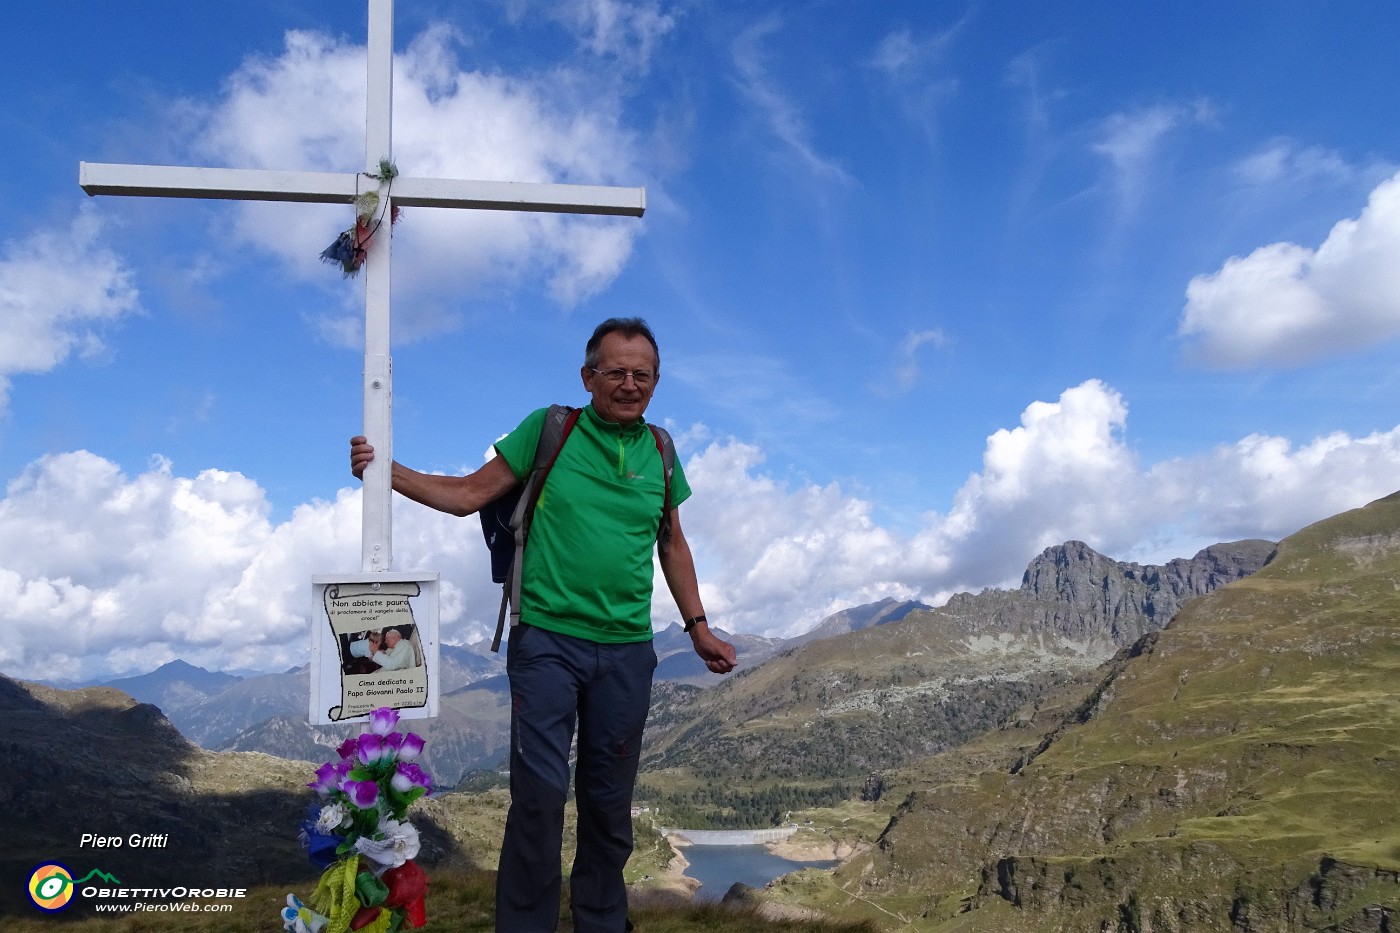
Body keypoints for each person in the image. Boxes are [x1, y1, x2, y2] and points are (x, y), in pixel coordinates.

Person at [349, 317, 737, 932]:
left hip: (629, 651)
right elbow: (469, 494)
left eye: (643, 374)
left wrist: (698, 627)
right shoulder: (551, 429)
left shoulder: (662, 451)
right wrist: (386, 472)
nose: (629, 383)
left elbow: (673, 545)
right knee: (538, 800)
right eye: (616, 372)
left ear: (657, 382)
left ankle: (602, 923)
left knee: (609, 805)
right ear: (588, 377)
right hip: (547, 643)